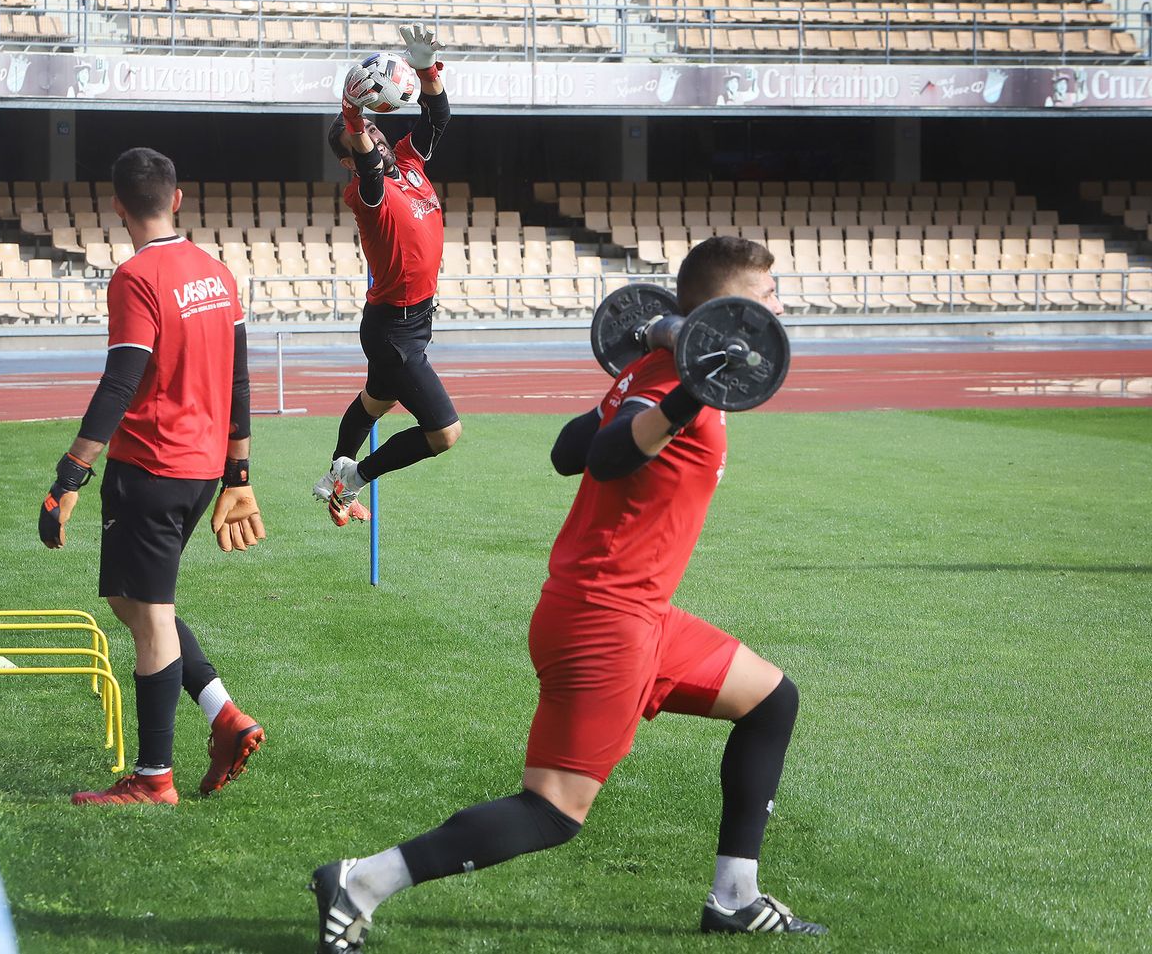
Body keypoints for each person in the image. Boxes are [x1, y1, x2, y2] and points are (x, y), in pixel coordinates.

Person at [311, 237, 827, 949]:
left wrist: (677, 373)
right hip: (603, 620)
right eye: (769, 295)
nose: (780, 307)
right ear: (728, 308)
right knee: (552, 810)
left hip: (638, 613)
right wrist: (685, 394)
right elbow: (608, 455)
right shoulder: (672, 384)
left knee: (773, 699)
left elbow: (563, 452)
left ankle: (734, 896)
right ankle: (362, 880)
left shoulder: (653, 365)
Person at [38, 147, 267, 806]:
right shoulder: (218, 274)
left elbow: (121, 380)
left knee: (151, 616)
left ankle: (153, 778)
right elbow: (241, 380)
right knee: (130, 598)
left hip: (150, 465)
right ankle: (223, 713)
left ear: (114, 206)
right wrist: (239, 472)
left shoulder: (136, 277)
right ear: (178, 197)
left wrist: (69, 474)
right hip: (199, 472)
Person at [312, 25, 462, 527]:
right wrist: (352, 114)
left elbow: (437, 115)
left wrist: (425, 68)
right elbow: (371, 165)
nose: (377, 135)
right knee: (444, 433)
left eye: (378, 128)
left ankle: (334, 481)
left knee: (373, 403)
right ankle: (353, 478)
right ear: (348, 158)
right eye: (364, 137)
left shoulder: (413, 163)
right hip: (393, 329)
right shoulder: (365, 192)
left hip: (413, 321)